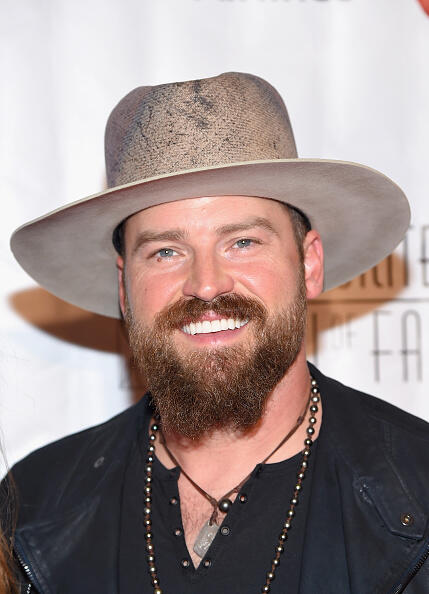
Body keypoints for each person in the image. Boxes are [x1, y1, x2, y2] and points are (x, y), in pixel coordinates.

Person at [5, 72, 429, 593]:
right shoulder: (33, 510)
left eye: (243, 242)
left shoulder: (419, 488)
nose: (206, 284)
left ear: (309, 263)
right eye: (166, 251)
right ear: (124, 286)